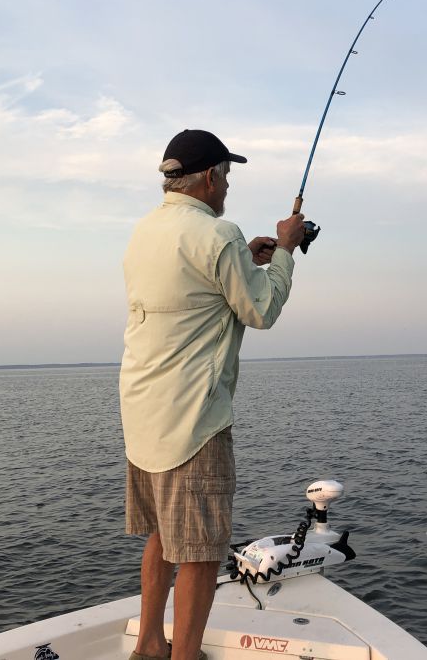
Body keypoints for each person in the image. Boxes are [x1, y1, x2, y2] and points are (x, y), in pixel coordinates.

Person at [120, 129, 306, 660]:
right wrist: (284, 252)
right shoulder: (218, 233)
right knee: (200, 551)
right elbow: (261, 310)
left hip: (143, 416)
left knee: (162, 536)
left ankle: (151, 645)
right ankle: (184, 657)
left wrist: (243, 259)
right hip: (194, 420)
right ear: (209, 177)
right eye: (226, 176)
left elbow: (190, 292)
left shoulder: (143, 233)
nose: (227, 188)